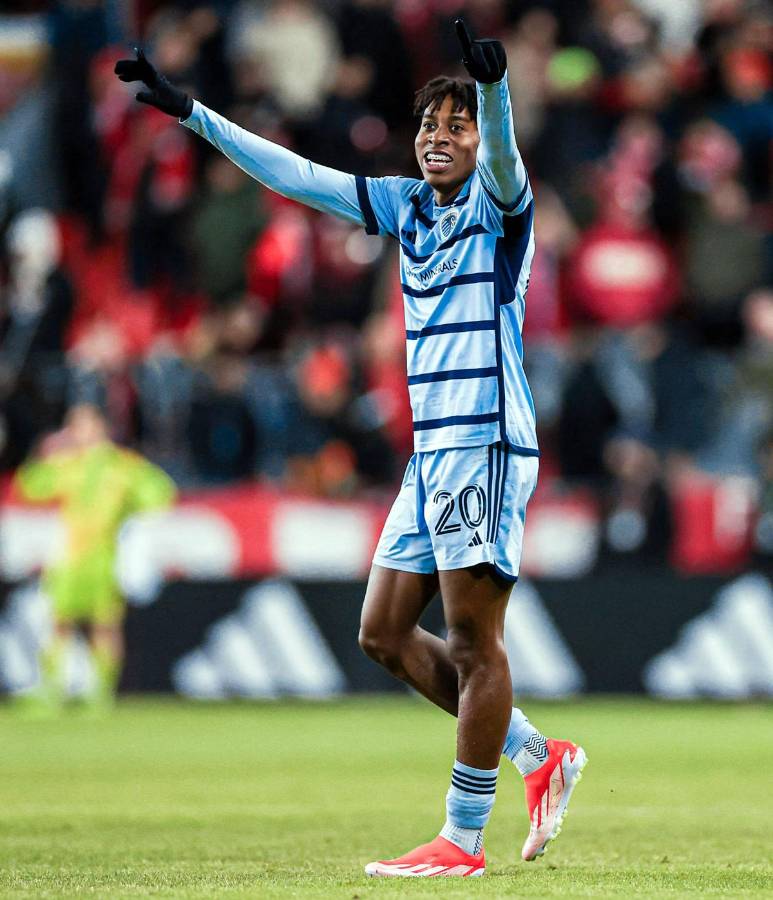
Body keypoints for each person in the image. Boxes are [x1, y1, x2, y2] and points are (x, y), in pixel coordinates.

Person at [115, 19, 587, 876]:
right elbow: (293, 175)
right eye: (427, 127)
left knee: (475, 643)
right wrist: (192, 114)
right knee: (381, 632)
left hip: (483, 440)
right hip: (431, 455)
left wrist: (495, 91)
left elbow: (511, 162)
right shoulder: (403, 206)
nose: (437, 139)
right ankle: (536, 757)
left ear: (478, 138)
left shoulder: (499, 205)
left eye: (456, 126)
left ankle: (462, 840)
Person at [15, 403, 177, 713]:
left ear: (102, 428)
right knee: (59, 623)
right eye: (74, 425)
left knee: (104, 624)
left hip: (103, 556)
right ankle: (53, 689)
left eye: (84, 424)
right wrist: (44, 452)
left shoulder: (123, 465)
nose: (79, 432)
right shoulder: (67, 463)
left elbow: (160, 493)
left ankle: (100, 692)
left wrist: (129, 515)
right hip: (69, 557)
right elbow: (29, 486)